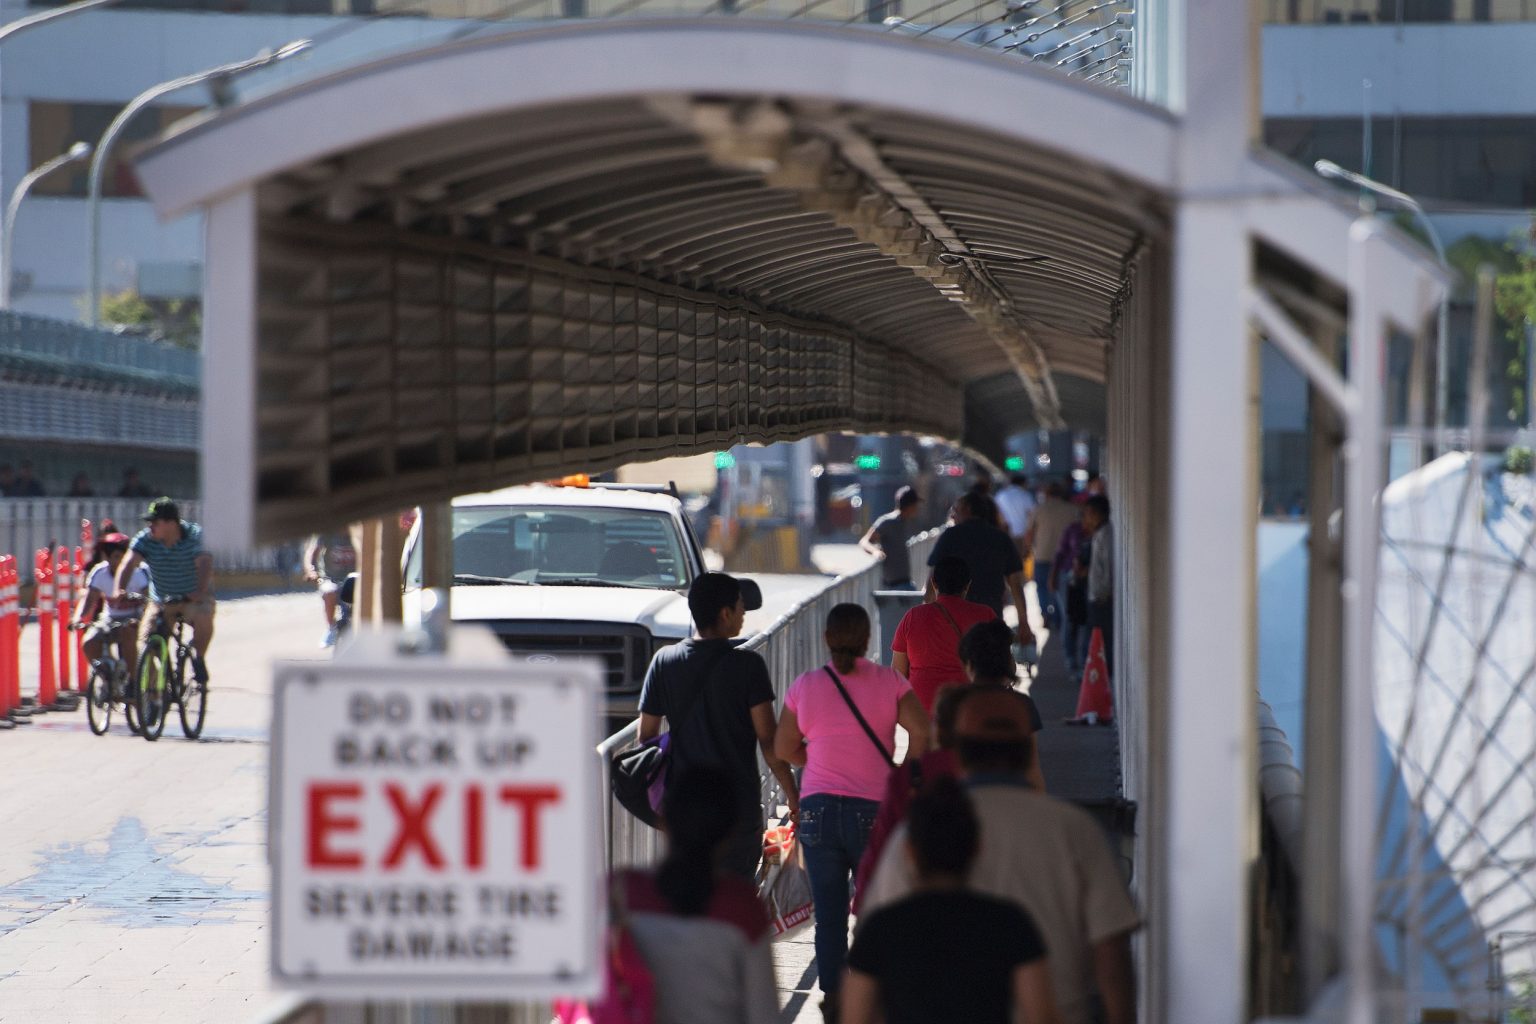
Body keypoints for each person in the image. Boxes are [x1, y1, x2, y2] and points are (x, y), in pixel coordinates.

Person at [861, 688, 1139, 1024]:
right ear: (1026, 753)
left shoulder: (918, 832)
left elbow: (875, 938)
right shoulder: (1075, 829)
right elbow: (1112, 953)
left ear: (958, 755)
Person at [774, 604, 929, 1023]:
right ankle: (873, 995)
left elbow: (783, 747)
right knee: (874, 909)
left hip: (818, 810)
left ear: (827, 638)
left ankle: (835, 1003)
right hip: (873, 811)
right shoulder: (890, 681)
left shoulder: (806, 685)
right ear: (867, 639)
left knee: (829, 917)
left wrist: (817, 754)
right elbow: (923, 730)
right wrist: (902, 771)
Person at [853, 620, 1045, 911]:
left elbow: (882, 842)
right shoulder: (1020, 708)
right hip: (1003, 830)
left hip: (940, 855)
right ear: (1007, 660)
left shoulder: (952, 706)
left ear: (968, 663)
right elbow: (1033, 774)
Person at [842, 776, 1061, 1024]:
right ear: (977, 847)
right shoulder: (1011, 922)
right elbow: (1041, 1016)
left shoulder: (881, 928)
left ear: (910, 852)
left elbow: (856, 1016)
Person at [638, 572, 798, 880]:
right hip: (737, 812)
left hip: (684, 811)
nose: (743, 614)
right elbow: (769, 742)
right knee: (732, 904)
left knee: (689, 904)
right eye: (740, 607)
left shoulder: (663, 661)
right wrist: (792, 795)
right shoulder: (748, 666)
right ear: (725, 614)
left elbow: (646, 739)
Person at [617, 768, 778, 1024]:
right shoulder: (743, 908)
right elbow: (764, 1013)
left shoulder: (619, 893)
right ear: (731, 832)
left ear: (664, 819)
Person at [115, 498, 216, 670]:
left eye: (155, 522)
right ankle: (155, 691)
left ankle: (199, 659)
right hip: (162, 599)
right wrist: (119, 589)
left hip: (191, 597)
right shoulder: (146, 539)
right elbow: (128, 563)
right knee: (146, 640)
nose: (150, 526)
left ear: (171, 523)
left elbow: (205, 563)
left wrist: (199, 591)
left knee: (203, 618)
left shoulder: (194, 535)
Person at [926, 492, 1033, 650]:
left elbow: (932, 582)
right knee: (988, 666)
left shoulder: (950, 536)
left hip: (954, 619)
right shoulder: (1000, 538)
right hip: (991, 615)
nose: (953, 515)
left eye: (956, 509)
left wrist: (929, 617)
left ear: (968, 509)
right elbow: (1016, 585)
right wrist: (1023, 623)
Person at [890, 555, 996, 712]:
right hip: (970, 708)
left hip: (922, 711)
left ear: (933, 583)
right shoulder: (986, 615)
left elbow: (898, 674)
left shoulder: (913, 617)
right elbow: (1005, 667)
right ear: (968, 585)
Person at [72, 532, 148, 683]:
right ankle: (111, 679)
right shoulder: (100, 573)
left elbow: (148, 600)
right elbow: (89, 599)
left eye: (124, 556)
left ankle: (134, 681)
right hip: (110, 618)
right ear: (107, 557)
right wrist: (78, 618)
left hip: (135, 618)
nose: (121, 562)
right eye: (116, 556)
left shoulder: (140, 572)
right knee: (89, 642)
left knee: (128, 634)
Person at [1024, 481, 1077, 633]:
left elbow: (1029, 534)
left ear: (1046, 494)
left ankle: (1046, 613)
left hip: (1042, 554)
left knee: (1041, 586)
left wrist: (1027, 550)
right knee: (1060, 587)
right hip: (1065, 557)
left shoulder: (1038, 509)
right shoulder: (1071, 510)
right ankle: (1058, 617)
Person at [1050, 508, 1090, 679]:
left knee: (1087, 620)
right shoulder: (1072, 530)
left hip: (1088, 580)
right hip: (1067, 577)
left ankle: (1084, 660)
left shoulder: (1099, 533)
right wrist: (1053, 576)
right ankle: (1071, 658)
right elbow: (1060, 553)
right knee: (1069, 617)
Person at [859, 485, 922, 589]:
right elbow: (864, 541)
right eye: (915, 504)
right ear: (910, 505)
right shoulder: (888, 521)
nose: (917, 508)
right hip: (893, 585)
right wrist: (875, 552)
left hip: (905, 581)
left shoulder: (905, 522)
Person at [303, 532, 358, 647]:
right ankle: (331, 628)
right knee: (329, 592)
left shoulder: (357, 532)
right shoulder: (327, 532)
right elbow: (311, 553)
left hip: (354, 578)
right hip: (331, 579)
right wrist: (311, 570)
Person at [1083, 494, 1113, 676]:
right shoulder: (1099, 534)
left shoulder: (1105, 535)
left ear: (1095, 514)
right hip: (1098, 598)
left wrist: (1104, 594)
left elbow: (1108, 570)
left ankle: (1102, 678)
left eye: (1087, 514)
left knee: (1102, 644)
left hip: (1102, 600)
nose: (1085, 519)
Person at [994, 473, 1036, 559]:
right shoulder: (1025, 496)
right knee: (1021, 560)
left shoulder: (1000, 495)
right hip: (1022, 534)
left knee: (1007, 560)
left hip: (1006, 533)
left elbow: (997, 513)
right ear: (1023, 483)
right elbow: (1032, 514)